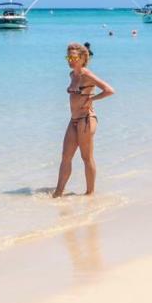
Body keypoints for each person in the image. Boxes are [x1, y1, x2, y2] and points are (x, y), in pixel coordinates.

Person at [53, 42, 114, 198]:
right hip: (73, 119)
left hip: (86, 119)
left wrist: (92, 99)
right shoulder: (72, 75)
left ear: (82, 58)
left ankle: (90, 194)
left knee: (86, 157)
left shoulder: (87, 74)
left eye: (73, 57)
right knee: (65, 157)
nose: (70, 60)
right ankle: (58, 193)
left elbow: (109, 90)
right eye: (68, 57)